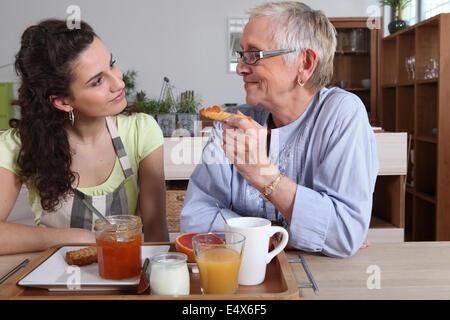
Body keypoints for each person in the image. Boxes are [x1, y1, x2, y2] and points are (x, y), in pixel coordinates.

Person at [180, 1, 379, 258]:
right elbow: (194, 220)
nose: (241, 67)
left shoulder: (341, 113)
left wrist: (262, 175)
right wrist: (281, 235)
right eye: (242, 54)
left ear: (304, 63)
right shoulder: (232, 123)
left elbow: (343, 234)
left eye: (254, 54)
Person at [0, 19, 168, 255]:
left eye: (112, 64)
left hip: (123, 275)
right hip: (51, 282)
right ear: (62, 101)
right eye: (97, 81)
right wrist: (75, 237)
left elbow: (156, 236)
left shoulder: (142, 132)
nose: (119, 82)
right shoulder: (18, 145)